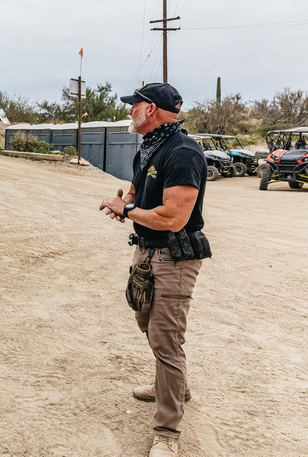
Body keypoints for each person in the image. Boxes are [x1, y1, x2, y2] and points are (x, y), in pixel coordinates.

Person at [99, 83, 210, 457]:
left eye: (135, 105)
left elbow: (174, 217)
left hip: (174, 258)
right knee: (144, 319)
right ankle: (176, 385)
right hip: (146, 252)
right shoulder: (148, 146)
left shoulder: (182, 153)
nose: (130, 110)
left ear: (152, 110)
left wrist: (128, 211)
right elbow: (134, 188)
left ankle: (167, 433)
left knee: (166, 340)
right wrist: (123, 200)